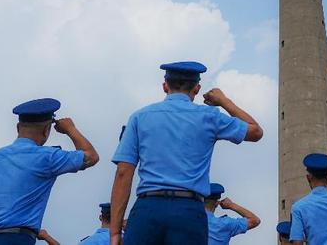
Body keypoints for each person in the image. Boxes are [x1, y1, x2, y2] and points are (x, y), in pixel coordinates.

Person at [109, 61, 263, 245]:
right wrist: (224, 102)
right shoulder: (209, 116)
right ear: (196, 89)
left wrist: (115, 232)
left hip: (148, 208)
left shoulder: (140, 117)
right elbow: (255, 132)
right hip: (189, 211)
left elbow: (123, 173)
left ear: (165, 86)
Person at [0, 98, 99, 245]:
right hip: (15, 239)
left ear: (18, 127)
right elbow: (91, 157)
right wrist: (70, 129)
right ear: (47, 130)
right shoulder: (47, 157)